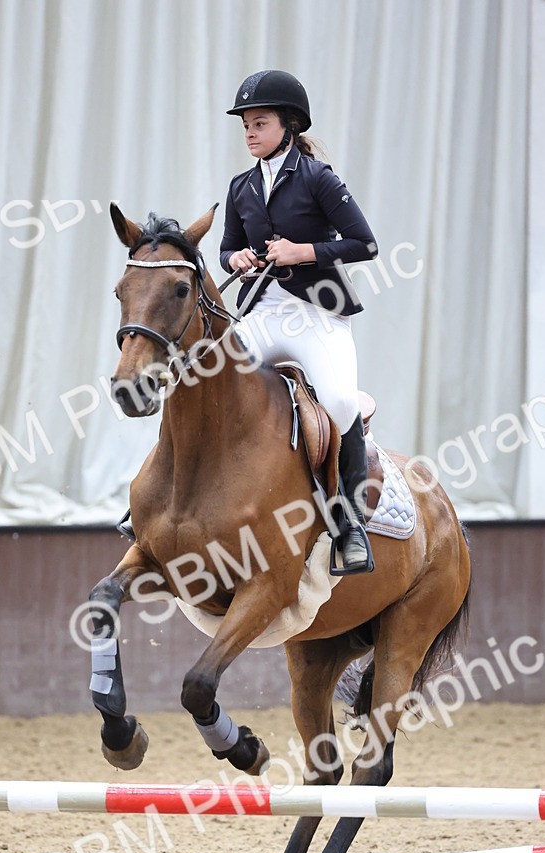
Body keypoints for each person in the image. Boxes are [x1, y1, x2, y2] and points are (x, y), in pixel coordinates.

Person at [220, 69, 379, 574]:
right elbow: (225, 248)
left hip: (317, 313)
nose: (249, 131)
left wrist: (301, 250)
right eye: (245, 123)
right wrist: (235, 261)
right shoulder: (241, 186)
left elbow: (365, 243)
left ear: (288, 125)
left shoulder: (318, 178)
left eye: (259, 122)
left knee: (336, 400)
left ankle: (351, 528)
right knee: (201, 377)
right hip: (262, 311)